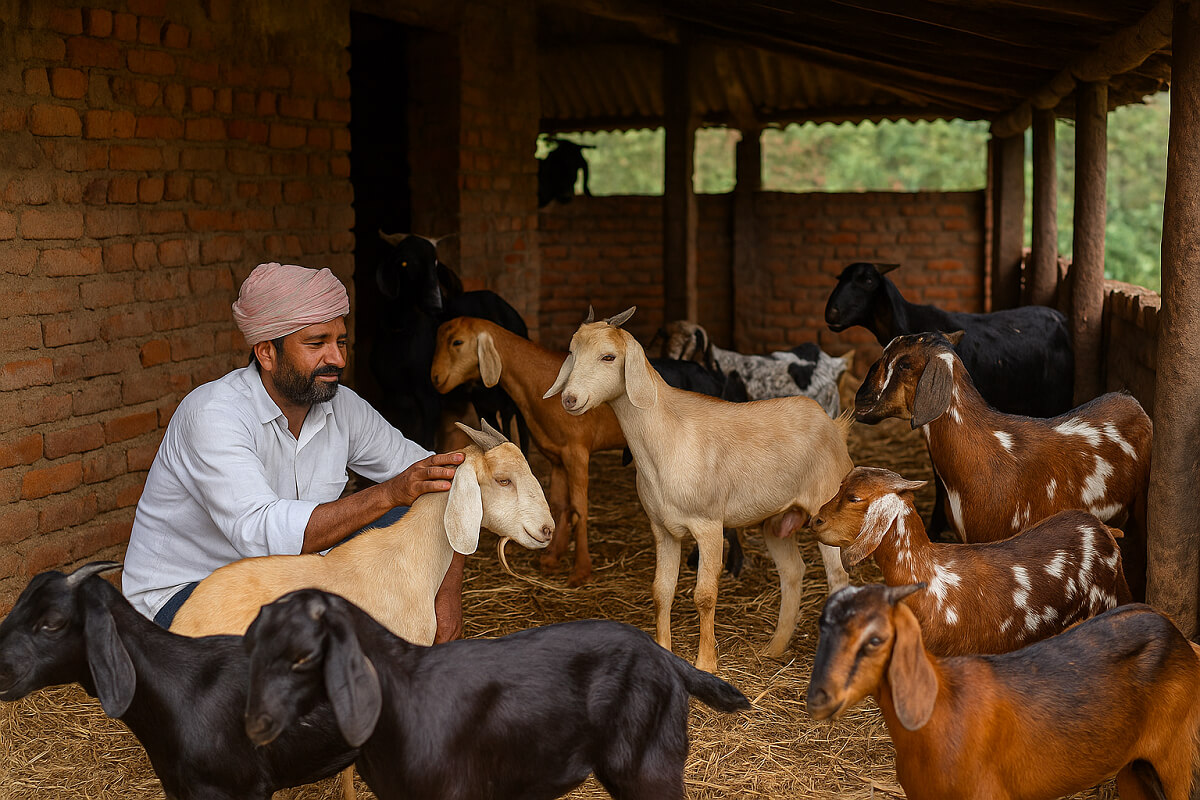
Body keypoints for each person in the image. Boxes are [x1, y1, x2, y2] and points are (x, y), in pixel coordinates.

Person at [122, 262, 466, 639]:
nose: (337, 359)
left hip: (292, 582)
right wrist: (387, 493)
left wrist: (445, 595)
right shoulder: (214, 413)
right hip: (188, 596)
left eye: (341, 342)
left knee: (406, 519)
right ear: (267, 353)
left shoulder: (343, 407)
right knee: (308, 644)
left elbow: (445, 480)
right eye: (317, 344)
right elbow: (260, 531)